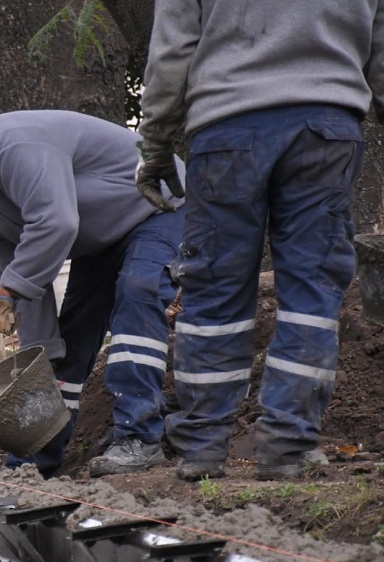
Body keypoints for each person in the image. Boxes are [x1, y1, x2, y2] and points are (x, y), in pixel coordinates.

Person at [135, 0, 384, 481]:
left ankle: (203, 446)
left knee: (214, 286)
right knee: (312, 290)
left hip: (227, 126)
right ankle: (288, 445)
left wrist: (156, 142)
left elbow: (171, 50)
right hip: (327, 127)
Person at [0, 110, 185, 478]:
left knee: (137, 292)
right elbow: (26, 274)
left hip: (157, 205)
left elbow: (56, 223)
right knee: (68, 343)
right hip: (102, 240)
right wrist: (39, 355)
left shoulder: (12, 145)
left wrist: (9, 290)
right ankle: (35, 460)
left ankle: (139, 438)